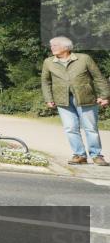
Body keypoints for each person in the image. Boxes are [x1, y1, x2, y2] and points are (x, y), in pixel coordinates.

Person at [41, 36, 110, 166]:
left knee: (90, 128)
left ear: (66, 47)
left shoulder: (84, 58)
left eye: (55, 45)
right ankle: (79, 155)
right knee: (70, 128)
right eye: (51, 45)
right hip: (63, 101)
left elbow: (98, 78)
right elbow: (45, 82)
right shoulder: (48, 62)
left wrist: (105, 96)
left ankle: (97, 156)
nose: (52, 47)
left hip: (86, 99)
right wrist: (48, 99)